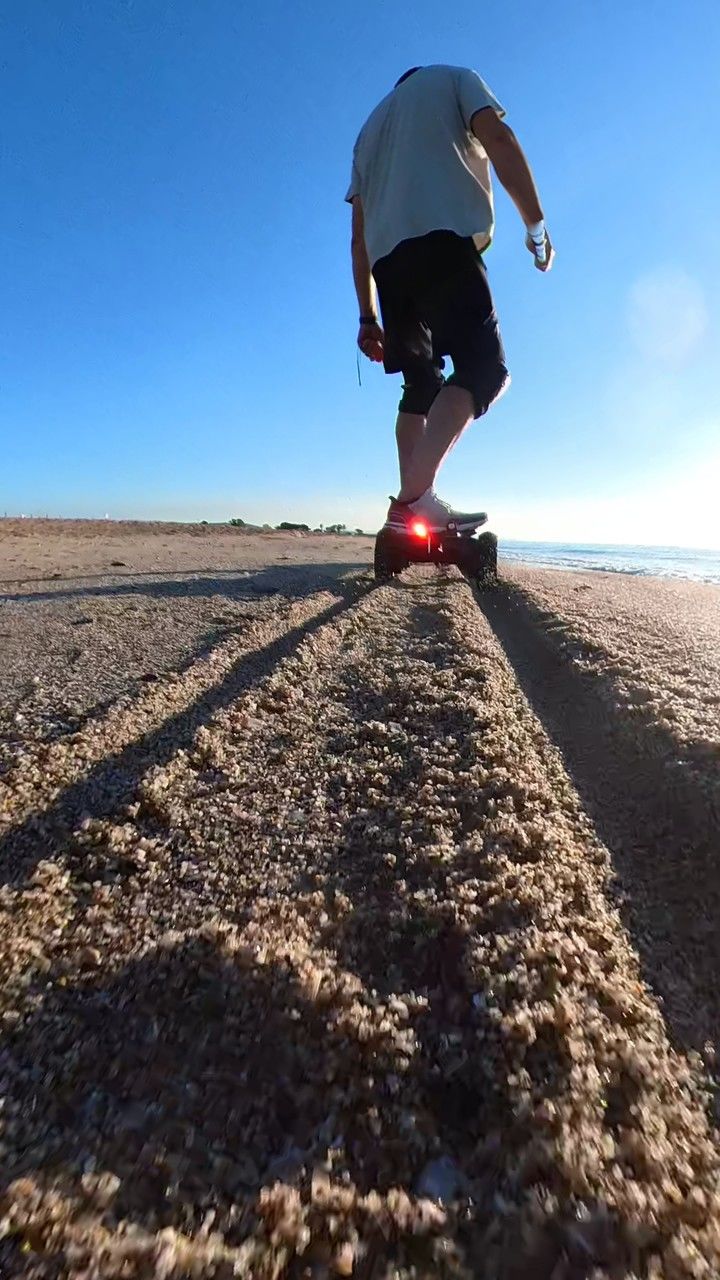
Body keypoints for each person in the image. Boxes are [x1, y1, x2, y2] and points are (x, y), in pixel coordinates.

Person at [346, 64, 554, 533]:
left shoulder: (368, 131)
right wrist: (536, 228)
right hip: (442, 242)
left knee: (421, 384)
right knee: (485, 369)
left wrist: (366, 316)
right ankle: (411, 502)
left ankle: (414, 515)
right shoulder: (452, 78)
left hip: (388, 265)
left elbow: (357, 239)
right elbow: (499, 139)